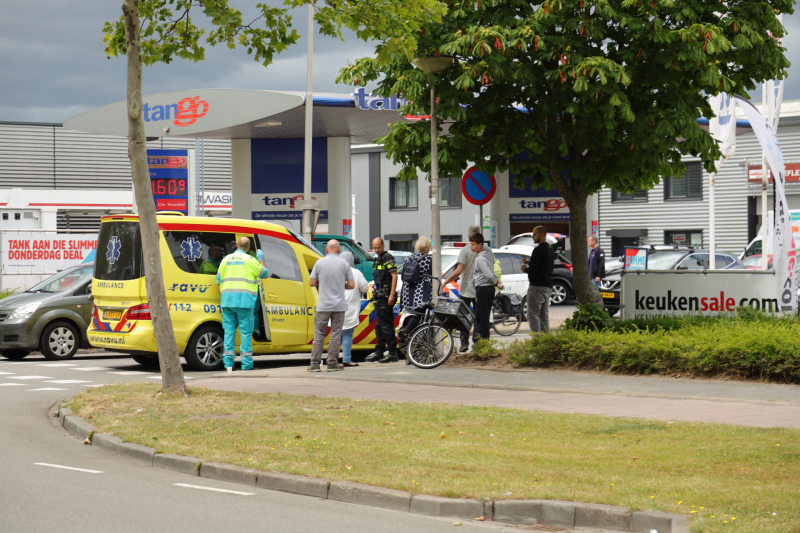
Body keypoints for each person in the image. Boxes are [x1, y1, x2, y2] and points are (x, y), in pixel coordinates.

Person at [216, 237, 268, 373]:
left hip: (228, 301)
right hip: (245, 302)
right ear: (248, 248)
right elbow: (265, 274)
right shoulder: (250, 260)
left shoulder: (226, 259)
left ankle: (228, 364)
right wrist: (260, 259)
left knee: (229, 332)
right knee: (245, 333)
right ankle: (246, 364)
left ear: (237, 245)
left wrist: (224, 298)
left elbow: (218, 280)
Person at [442, 225, 494, 353]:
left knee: (464, 317)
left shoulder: (465, 250)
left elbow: (459, 271)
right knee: (479, 318)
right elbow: (490, 268)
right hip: (481, 288)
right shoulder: (488, 250)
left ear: (469, 236)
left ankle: (464, 343)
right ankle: (477, 344)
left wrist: (446, 281)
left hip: (466, 289)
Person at [309, 240, 355, 372]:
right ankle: (332, 363)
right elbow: (351, 285)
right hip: (339, 306)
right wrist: (340, 284)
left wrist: (323, 282)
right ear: (339, 250)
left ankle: (315, 364)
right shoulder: (344, 264)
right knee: (335, 335)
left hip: (323, 306)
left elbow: (312, 282)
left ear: (326, 249)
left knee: (319, 335)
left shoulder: (319, 262)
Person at [365, 237, 399, 363]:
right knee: (379, 325)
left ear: (383, 246)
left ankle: (392, 353)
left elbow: (394, 276)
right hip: (379, 296)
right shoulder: (378, 259)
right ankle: (379, 351)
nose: (376, 250)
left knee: (386, 325)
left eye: (378, 247)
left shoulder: (388, 259)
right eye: (374, 247)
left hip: (387, 296)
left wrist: (391, 295)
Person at [397, 236, 433, 342]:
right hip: (421, 291)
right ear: (428, 247)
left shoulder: (410, 257)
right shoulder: (428, 259)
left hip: (408, 291)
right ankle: (415, 336)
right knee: (421, 313)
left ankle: (406, 334)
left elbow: (403, 275)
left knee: (410, 312)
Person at [340, 251, 370, 368]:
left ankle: (332, 359)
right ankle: (346, 359)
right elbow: (365, 287)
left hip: (334, 307)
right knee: (347, 334)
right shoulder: (356, 272)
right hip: (349, 308)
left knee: (336, 335)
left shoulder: (336, 271)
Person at [521, 226, 554, 333]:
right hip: (547, 286)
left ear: (542, 235)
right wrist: (530, 262)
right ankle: (546, 338)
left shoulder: (538, 250)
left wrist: (525, 269)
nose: (532, 236)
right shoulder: (550, 250)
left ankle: (537, 338)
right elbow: (544, 265)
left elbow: (534, 270)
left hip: (537, 286)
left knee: (532, 314)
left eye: (534, 234)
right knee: (544, 315)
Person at [470, 233, 502, 341]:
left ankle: (484, 342)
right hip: (488, 288)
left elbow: (488, 273)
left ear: (480, 244)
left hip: (483, 288)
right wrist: (495, 281)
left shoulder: (480, 258)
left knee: (482, 317)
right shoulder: (488, 255)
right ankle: (482, 341)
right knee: (482, 316)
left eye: (473, 244)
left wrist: (495, 281)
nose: (471, 247)